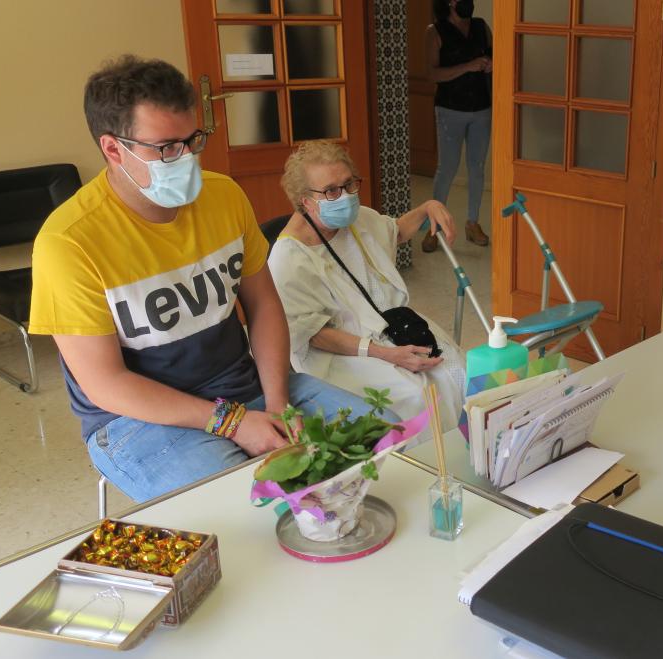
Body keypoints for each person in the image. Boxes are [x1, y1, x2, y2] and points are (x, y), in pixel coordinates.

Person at [29, 56, 380, 503]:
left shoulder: (224, 196)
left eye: (193, 140)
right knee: (253, 506)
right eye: (166, 148)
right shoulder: (69, 242)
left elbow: (264, 306)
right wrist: (232, 423)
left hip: (242, 386)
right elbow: (105, 384)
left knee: (378, 444)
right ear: (114, 150)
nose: (186, 159)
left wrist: (276, 403)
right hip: (136, 420)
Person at [269, 140, 467, 431]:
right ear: (304, 200)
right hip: (339, 353)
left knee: (458, 371)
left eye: (349, 185)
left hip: (390, 323)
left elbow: (395, 231)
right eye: (331, 190)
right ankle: (425, 469)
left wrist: (427, 207)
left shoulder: (357, 220)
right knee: (415, 396)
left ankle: (466, 455)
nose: (345, 196)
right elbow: (315, 336)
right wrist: (387, 354)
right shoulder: (289, 259)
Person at [421, 0, 492, 253]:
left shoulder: (482, 27)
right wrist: (468, 66)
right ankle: (434, 228)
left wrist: (491, 64)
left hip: (482, 109)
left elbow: (497, 57)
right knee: (447, 168)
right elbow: (433, 74)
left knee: (478, 168)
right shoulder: (435, 31)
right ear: (448, 3)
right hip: (450, 110)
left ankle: (473, 223)